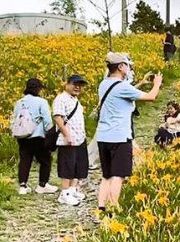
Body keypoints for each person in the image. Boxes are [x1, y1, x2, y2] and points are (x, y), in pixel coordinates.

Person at [96, 52, 163, 212]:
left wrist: (140, 83)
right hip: (119, 136)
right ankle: (113, 209)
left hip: (103, 136)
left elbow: (124, 92)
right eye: (127, 64)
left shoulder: (103, 84)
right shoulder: (123, 87)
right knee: (118, 175)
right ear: (120, 67)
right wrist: (157, 84)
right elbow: (151, 97)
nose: (129, 67)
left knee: (106, 175)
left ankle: (101, 207)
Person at [12, 78, 58, 195]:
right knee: (45, 160)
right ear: (38, 89)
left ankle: (23, 185)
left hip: (22, 136)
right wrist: (51, 134)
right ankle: (42, 184)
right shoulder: (41, 102)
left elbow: (15, 118)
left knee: (25, 160)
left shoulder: (19, 102)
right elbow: (47, 120)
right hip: (38, 136)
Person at [53, 74, 89, 206]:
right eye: (75, 84)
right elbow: (58, 118)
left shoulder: (75, 100)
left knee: (79, 166)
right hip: (68, 139)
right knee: (67, 166)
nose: (77, 87)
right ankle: (65, 193)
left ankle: (73, 190)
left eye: (80, 85)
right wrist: (67, 135)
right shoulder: (61, 99)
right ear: (67, 84)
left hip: (79, 138)